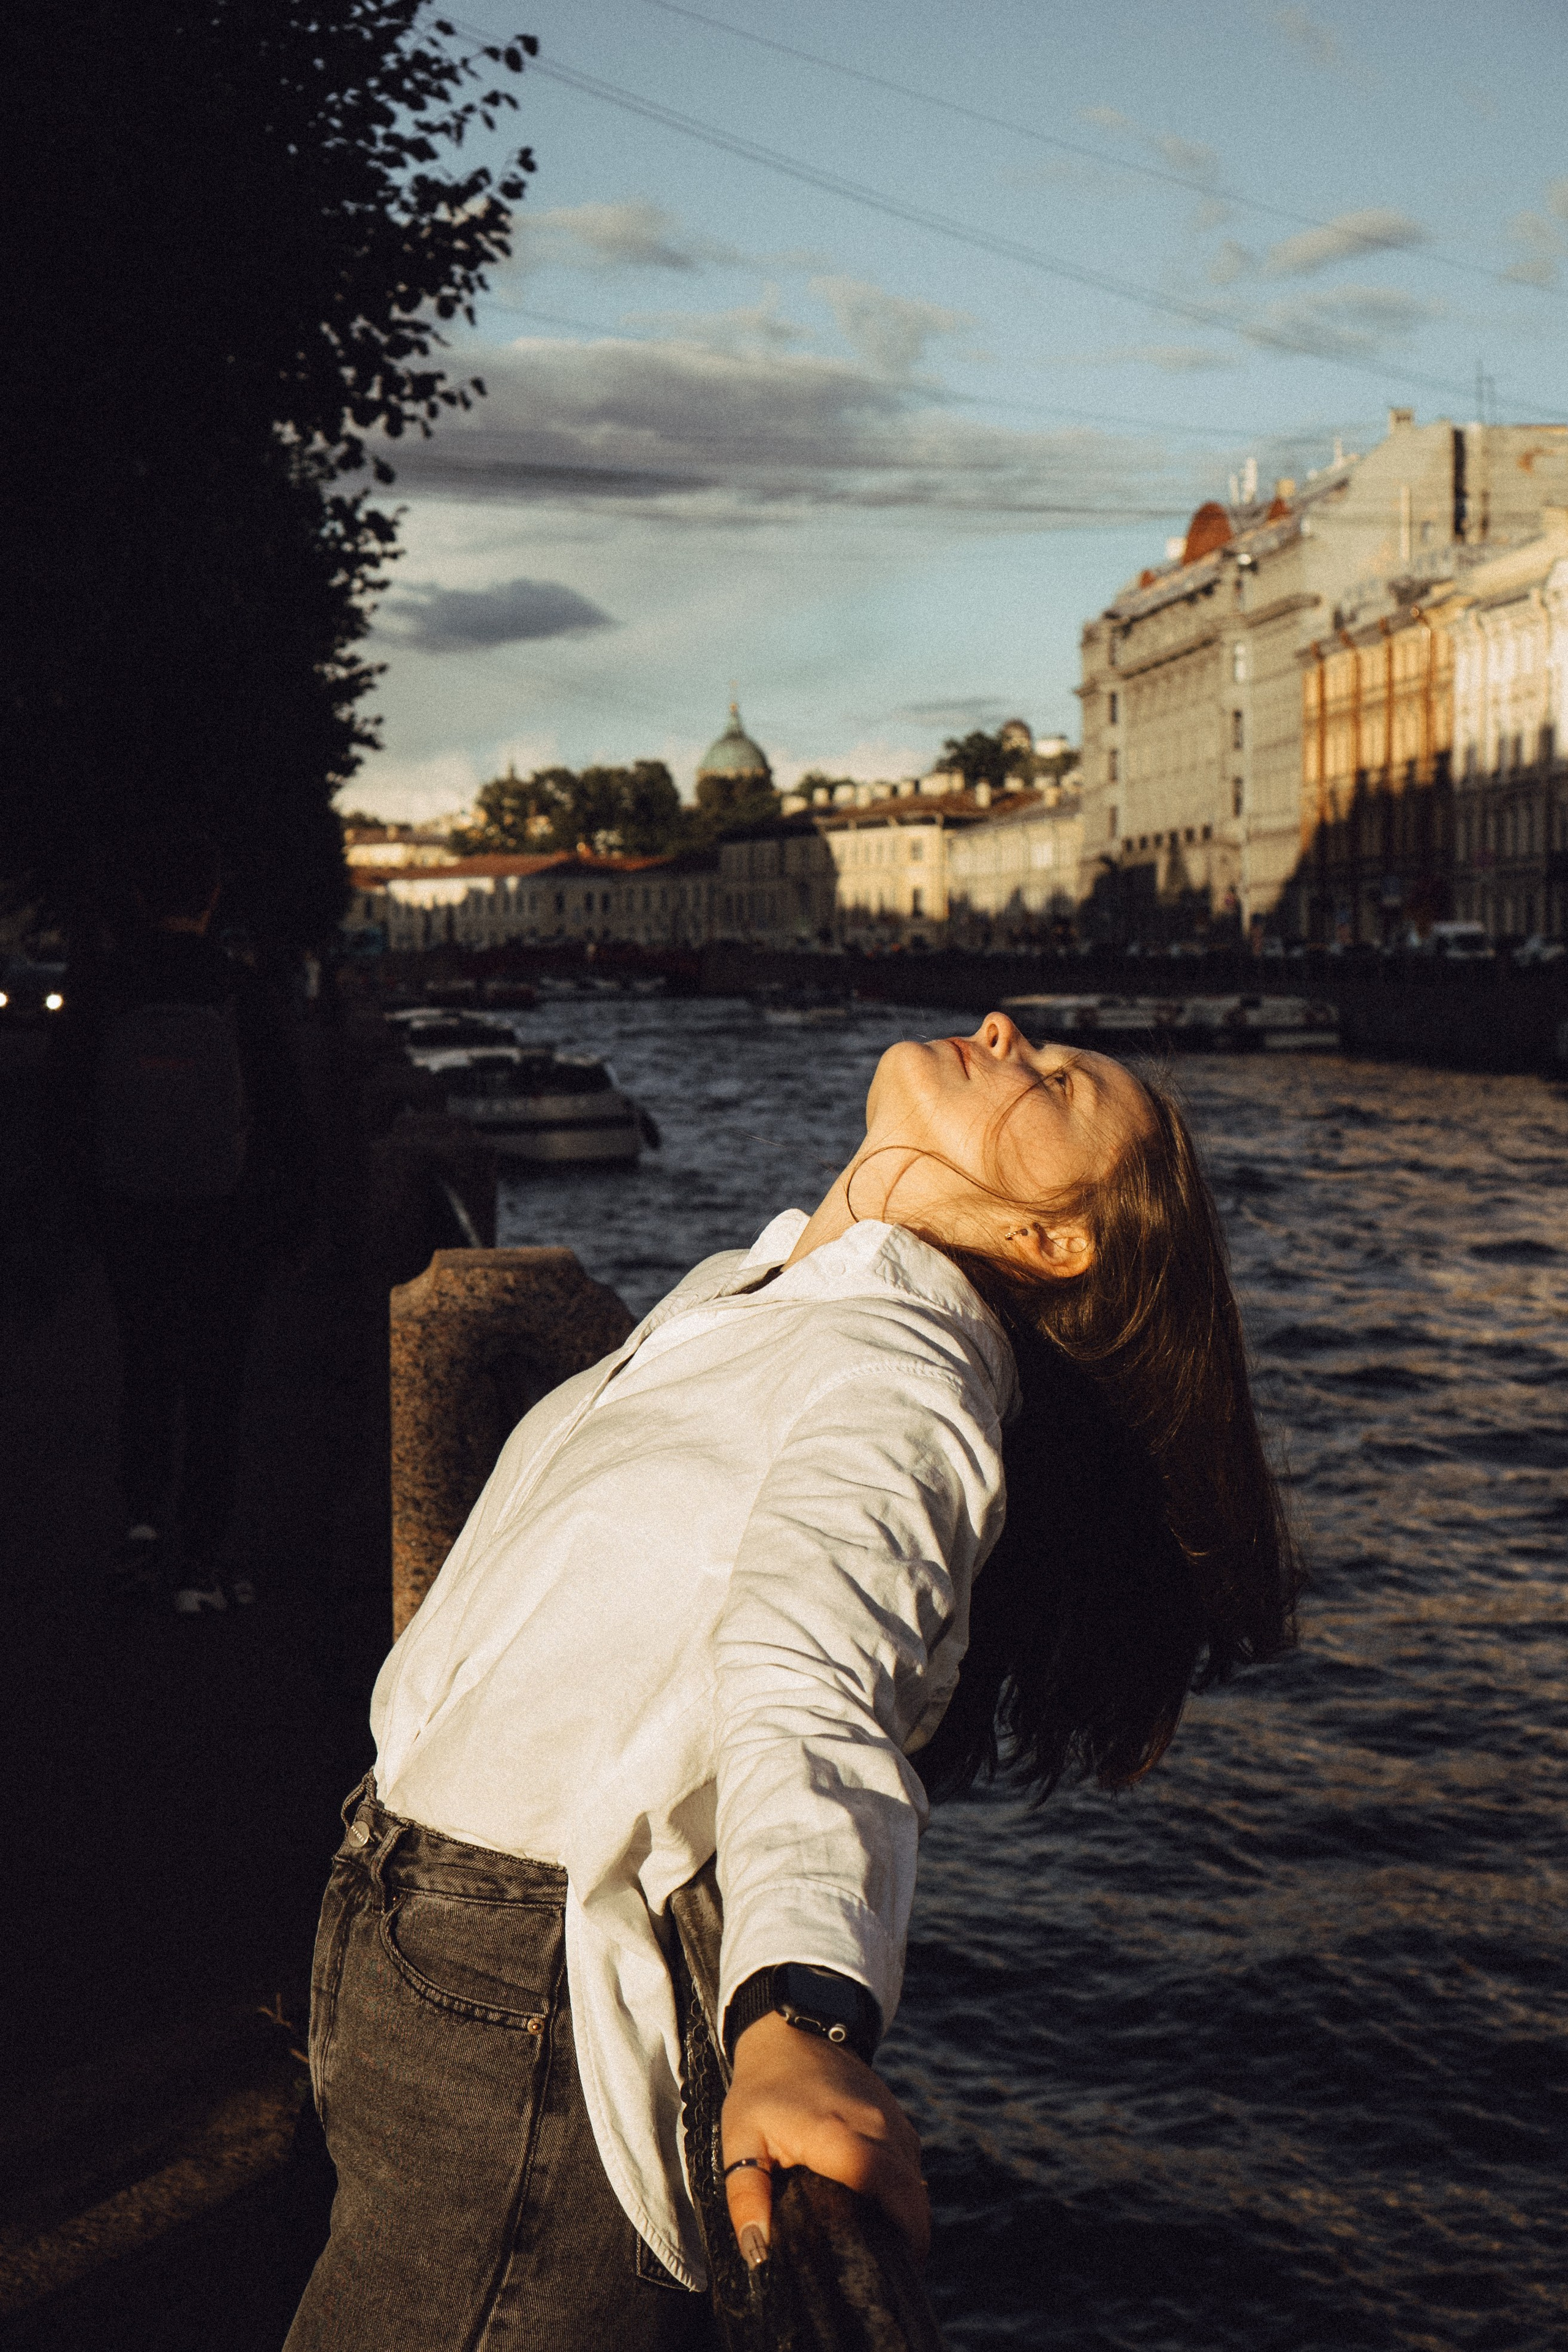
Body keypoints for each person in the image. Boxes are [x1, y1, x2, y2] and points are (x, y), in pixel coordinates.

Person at [285, 1012, 1300, 2350]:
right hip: (413, 1926)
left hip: (519, 1994)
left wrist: (797, 2011)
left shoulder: (907, 1374)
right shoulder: (753, 1284)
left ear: (1055, 1243)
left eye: (1054, 1081)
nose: (1003, 1031)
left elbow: (814, 1673)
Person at [55, 829, 313, 1611]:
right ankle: (199, 1565)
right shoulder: (241, 991)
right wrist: (286, 1225)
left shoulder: (101, 988)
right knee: (216, 1386)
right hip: (227, 1219)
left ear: (137, 899)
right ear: (212, 897)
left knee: (146, 1367)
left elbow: (65, 1113)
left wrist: (85, 1211)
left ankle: (139, 1533)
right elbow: (286, 1121)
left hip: (130, 1213)